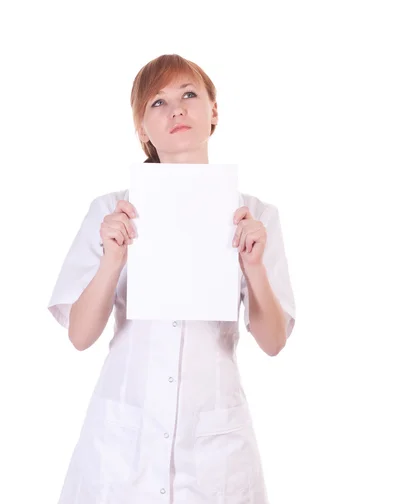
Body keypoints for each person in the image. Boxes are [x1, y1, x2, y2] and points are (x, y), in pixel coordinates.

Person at [48, 53, 296, 503]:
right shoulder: (111, 212)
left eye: (188, 95)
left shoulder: (255, 217)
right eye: (157, 103)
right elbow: (80, 335)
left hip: (215, 447)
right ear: (142, 130)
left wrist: (253, 267)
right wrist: (112, 260)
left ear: (213, 110)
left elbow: (274, 341)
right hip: (123, 442)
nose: (176, 109)